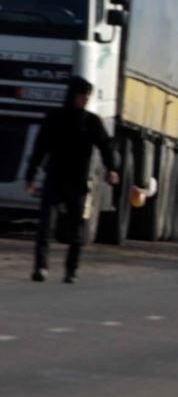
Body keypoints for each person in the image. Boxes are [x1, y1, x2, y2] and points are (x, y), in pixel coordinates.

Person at [25, 76, 119, 284]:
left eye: (87, 97)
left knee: (77, 227)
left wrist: (112, 168)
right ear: (72, 96)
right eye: (82, 96)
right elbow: (40, 148)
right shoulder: (54, 118)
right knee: (46, 224)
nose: (85, 100)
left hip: (78, 181)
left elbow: (105, 146)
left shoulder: (91, 122)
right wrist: (30, 176)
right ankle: (41, 267)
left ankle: (71, 270)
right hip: (55, 178)